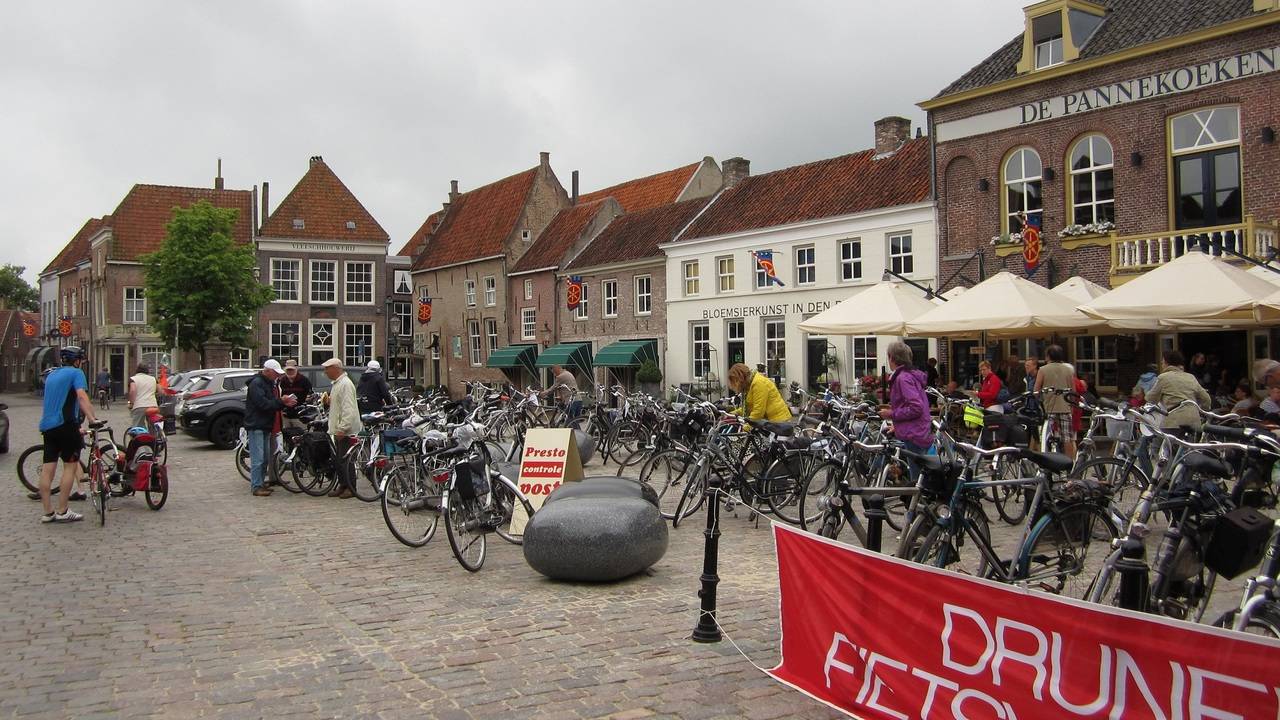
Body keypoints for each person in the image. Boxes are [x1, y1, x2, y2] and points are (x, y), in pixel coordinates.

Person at [37, 346, 97, 523]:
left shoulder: (52, 375)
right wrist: (92, 419)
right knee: (70, 466)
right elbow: (81, 397)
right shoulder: (76, 373)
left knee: (48, 468)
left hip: (47, 426)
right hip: (66, 425)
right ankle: (63, 510)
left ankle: (48, 512)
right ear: (76, 360)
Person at [244, 359, 296, 497]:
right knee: (258, 458)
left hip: (264, 424)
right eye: (275, 373)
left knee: (265, 457)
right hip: (257, 425)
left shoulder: (266, 383)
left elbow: (269, 404)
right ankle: (256, 486)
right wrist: (281, 401)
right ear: (267, 371)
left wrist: (282, 403)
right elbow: (263, 404)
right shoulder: (257, 384)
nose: (278, 376)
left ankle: (260, 483)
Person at [879, 342, 934, 462]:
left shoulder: (903, 378)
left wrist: (891, 414)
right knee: (918, 475)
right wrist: (897, 426)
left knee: (916, 478)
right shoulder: (910, 375)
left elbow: (916, 408)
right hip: (918, 431)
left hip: (914, 435)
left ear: (891, 357)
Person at [322, 358, 362, 499]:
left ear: (336, 368)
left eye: (327, 368)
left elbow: (348, 408)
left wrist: (343, 428)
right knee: (339, 459)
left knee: (346, 459)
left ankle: (351, 487)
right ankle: (343, 484)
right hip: (339, 428)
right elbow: (339, 404)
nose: (325, 372)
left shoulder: (345, 384)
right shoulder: (338, 384)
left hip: (346, 430)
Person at [1147, 349, 1211, 431]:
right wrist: (1203, 412)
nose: (1162, 365)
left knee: (1159, 441)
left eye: (1162, 362)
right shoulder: (1191, 377)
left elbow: (1151, 399)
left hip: (1174, 422)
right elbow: (1206, 399)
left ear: (1167, 363)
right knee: (1189, 443)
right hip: (1194, 422)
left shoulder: (1163, 377)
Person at [1035, 345, 1077, 456]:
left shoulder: (1043, 369)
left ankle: (1045, 460)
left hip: (1048, 408)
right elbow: (1073, 390)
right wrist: (1072, 406)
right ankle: (1069, 465)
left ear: (1048, 356)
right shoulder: (1068, 370)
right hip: (1065, 407)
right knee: (1067, 438)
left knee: (1044, 436)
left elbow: (1036, 390)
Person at [727, 363, 792, 424]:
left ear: (740, 378)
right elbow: (747, 408)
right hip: (771, 423)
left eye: (735, 381)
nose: (735, 385)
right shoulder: (749, 385)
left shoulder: (758, 383)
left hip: (779, 423)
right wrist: (731, 414)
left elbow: (758, 412)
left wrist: (745, 428)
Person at [278, 359, 313, 430]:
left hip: (300, 416)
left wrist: (307, 399)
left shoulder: (304, 380)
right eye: (288, 370)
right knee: (286, 436)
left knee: (301, 436)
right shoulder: (281, 381)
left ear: (296, 369)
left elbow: (310, 395)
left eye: (292, 370)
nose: (290, 372)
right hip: (285, 415)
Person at [127, 363, 159, 430]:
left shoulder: (133, 379)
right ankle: (155, 435)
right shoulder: (153, 379)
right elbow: (160, 391)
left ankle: (140, 438)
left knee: (137, 426)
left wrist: (131, 403)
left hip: (139, 405)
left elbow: (132, 391)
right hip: (153, 405)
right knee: (152, 424)